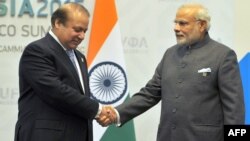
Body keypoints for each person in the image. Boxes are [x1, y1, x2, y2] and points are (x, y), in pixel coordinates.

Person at [97, 3, 245, 141]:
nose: (176, 27)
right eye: (175, 22)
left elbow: (234, 109)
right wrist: (117, 113)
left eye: (183, 23)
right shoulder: (170, 54)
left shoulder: (223, 55)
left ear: (202, 25)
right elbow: (150, 93)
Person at [14, 3, 110, 141]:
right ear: (58, 23)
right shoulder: (37, 50)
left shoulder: (80, 57)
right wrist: (99, 110)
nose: (82, 36)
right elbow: (56, 91)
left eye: (85, 31)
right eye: (77, 30)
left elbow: (79, 96)